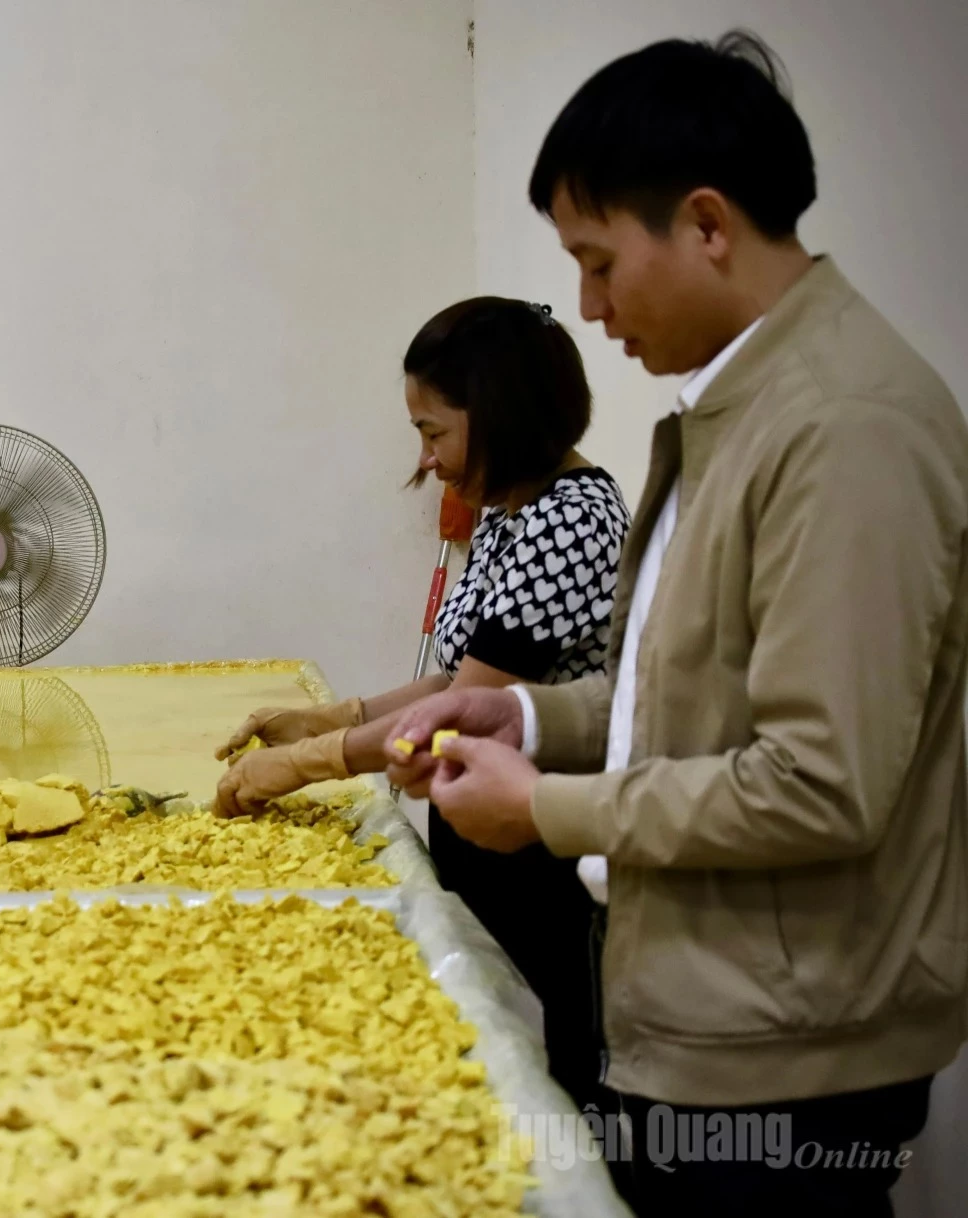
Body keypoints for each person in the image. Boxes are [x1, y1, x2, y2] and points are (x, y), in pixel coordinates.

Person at [387, 33, 965, 1217]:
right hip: (700, 1011)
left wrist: (541, 808)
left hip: (780, 1048)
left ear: (705, 224)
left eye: (599, 265)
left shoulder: (843, 426)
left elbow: (817, 782)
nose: (590, 309)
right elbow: (685, 692)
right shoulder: (737, 411)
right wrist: (529, 715)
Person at [214, 296, 630, 1114]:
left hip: (544, 852)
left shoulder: (572, 524)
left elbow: (469, 707)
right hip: (488, 839)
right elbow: (458, 677)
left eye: (433, 431)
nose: (428, 458)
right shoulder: (513, 511)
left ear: (501, 415)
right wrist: (333, 718)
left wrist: (301, 766)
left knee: (563, 1080)